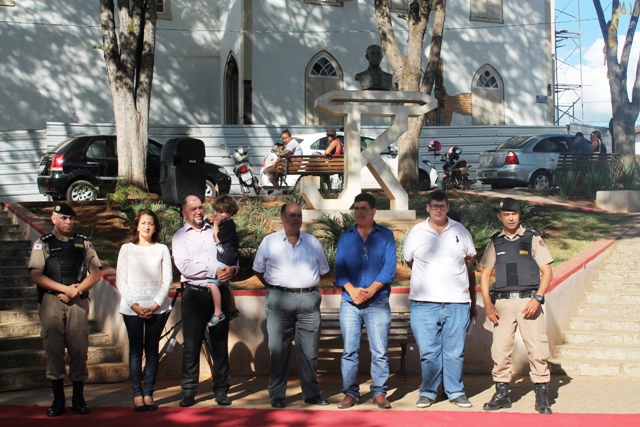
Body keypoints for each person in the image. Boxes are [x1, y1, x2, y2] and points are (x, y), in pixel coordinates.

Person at [402, 190, 477, 409]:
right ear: (427, 208)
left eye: (442, 206)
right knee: (428, 352)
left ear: (447, 207)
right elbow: (410, 261)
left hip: (456, 303)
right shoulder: (416, 232)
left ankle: (455, 391)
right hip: (424, 304)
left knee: (454, 352)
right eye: (434, 206)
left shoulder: (460, 231)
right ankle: (428, 392)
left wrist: (470, 302)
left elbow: (469, 261)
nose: (438, 209)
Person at [479, 197, 554, 415]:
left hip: (529, 302)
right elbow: (485, 275)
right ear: (499, 216)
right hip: (502, 303)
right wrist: (488, 305)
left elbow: (547, 272)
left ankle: (542, 396)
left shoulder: (532, 239)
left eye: (514, 214)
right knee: (500, 350)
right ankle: (502, 393)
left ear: (519, 215)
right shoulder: (495, 242)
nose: (511, 217)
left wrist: (538, 298)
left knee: (537, 349)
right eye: (506, 214)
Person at [252, 203, 330, 409]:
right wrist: (275, 287)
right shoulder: (269, 242)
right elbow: (258, 270)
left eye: (299, 216)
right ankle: (277, 395)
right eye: (291, 215)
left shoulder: (313, 242)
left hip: (308, 301)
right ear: (282, 218)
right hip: (279, 300)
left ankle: (312, 394)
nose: (296, 219)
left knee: (309, 351)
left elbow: (323, 270)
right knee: (278, 350)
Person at [28, 203, 102, 417]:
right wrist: (64, 289)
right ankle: (58, 400)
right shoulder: (43, 244)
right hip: (52, 302)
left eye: (71, 218)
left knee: (79, 350)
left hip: (77, 302)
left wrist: (75, 290)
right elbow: (36, 275)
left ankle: (79, 399)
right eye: (63, 218)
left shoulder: (83, 243)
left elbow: (96, 273)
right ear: (53, 219)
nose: (68, 222)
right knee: (54, 351)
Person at [172, 195, 237, 408]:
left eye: (200, 207)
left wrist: (232, 270)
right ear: (184, 213)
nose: (198, 212)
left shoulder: (217, 228)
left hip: (220, 290)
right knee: (191, 345)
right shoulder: (179, 237)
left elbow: (232, 254)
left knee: (219, 344)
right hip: (194, 295)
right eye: (193, 209)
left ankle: (221, 390)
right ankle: (189, 391)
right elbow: (185, 266)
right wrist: (213, 271)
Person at [334, 193, 396, 409]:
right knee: (349, 351)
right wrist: (352, 291)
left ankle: (379, 393)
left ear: (373, 211)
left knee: (379, 350)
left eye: (363, 208)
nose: (359, 212)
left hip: (377, 301)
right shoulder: (346, 236)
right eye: (356, 208)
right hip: (350, 302)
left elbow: (389, 268)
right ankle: (350, 393)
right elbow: (339, 268)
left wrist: (370, 291)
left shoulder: (386, 235)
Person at [116, 209, 172, 412]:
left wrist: (155, 305)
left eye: (151, 223)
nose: (147, 227)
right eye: (143, 223)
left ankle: (148, 392)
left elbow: (167, 281)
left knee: (152, 350)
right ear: (136, 226)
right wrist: (136, 306)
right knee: (136, 351)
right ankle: (137, 393)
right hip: (132, 309)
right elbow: (121, 280)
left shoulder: (162, 249)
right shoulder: (126, 249)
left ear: (155, 227)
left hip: (157, 309)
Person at [206, 195, 240, 327]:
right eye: (217, 211)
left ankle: (218, 312)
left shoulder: (229, 225)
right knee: (225, 283)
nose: (219, 215)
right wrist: (208, 220)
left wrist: (215, 224)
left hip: (227, 256)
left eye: (222, 212)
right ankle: (233, 309)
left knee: (212, 281)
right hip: (226, 256)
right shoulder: (225, 223)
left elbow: (218, 238)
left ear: (230, 212)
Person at [263, 129, 303, 195]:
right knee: (270, 170)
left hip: (291, 166)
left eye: (286, 138)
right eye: (283, 139)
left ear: (290, 137)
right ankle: (277, 189)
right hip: (291, 165)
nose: (284, 140)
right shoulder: (292, 143)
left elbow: (285, 153)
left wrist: (280, 153)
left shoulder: (292, 143)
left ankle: (277, 189)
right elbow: (284, 155)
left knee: (267, 171)